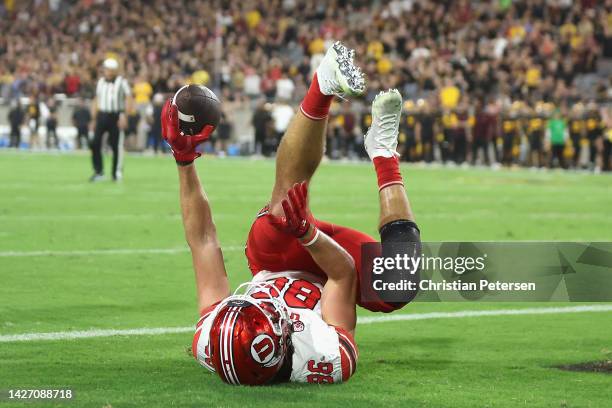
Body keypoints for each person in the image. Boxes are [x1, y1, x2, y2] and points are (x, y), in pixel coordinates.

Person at [162, 42, 420, 385]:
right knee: (399, 282)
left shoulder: (213, 336)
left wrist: (183, 160)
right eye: (272, 315)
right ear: (284, 341)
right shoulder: (322, 356)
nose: (269, 305)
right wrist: (308, 234)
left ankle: (322, 86)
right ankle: (384, 151)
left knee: (283, 208)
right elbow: (342, 274)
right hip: (329, 266)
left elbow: (203, 241)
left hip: (275, 257)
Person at [90, 58, 132, 182]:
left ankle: (116, 173)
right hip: (102, 115)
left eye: (109, 69)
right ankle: (99, 172)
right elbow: (96, 99)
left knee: (116, 146)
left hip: (116, 115)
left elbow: (129, 98)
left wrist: (125, 115)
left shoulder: (121, 82)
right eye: (106, 69)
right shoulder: (101, 82)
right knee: (95, 142)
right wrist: (93, 119)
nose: (107, 71)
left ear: (114, 70)